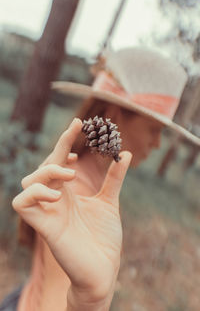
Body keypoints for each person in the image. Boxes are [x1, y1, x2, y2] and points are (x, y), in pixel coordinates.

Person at [1, 47, 200, 311]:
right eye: (154, 129)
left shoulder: (82, 179)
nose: (157, 144)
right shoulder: (77, 193)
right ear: (114, 116)